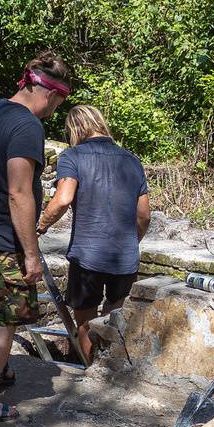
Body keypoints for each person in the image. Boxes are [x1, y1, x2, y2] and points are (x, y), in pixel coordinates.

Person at [0, 51, 77, 422]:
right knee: (6, 318)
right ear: (49, 94)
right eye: (59, 103)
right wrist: (31, 254)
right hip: (6, 237)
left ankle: (3, 371)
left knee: (8, 303)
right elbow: (19, 192)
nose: (55, 110)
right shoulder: (27, 126)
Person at [37, 105, 150, 364]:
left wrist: (41, 225)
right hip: (124, 256)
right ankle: (110, 371)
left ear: (74, 129)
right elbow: (143, 215)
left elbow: (63, 199)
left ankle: (90, 371)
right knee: (114, 319)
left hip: (87, 256)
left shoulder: (73, 157)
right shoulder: (131, 160)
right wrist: (132, 241)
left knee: (85, 322)